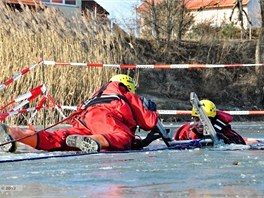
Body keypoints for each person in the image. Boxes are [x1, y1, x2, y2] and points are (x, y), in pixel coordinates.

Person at [0, 74, 159, 153]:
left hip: (85, 121)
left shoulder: (97, 95)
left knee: (58, 138)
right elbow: (148, 123)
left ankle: (14, 133)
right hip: (104, 119)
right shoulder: (127, 95)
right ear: (127, 86)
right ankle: (91, 141)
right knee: (122, 138)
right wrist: (151, 109)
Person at [174, 99, 247, 145]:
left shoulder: (224, 131)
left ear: (213, 120)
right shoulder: (186, 130)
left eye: (204, 120)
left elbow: (240, 144)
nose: (199, 124)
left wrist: (226, 141)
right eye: (196, 119)